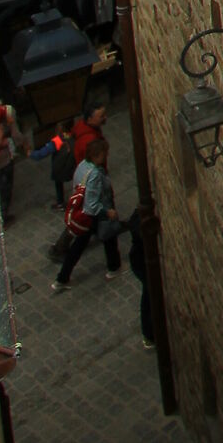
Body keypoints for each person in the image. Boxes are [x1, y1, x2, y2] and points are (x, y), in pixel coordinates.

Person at [51, 137, 124, 291]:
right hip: (92, 214)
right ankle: (114, 267)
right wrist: (107, 211)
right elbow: (92, 204)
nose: (107, 156)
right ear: (97, 155)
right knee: (108, 236)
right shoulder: (95, 174)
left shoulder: (82, 166)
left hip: (83, 213)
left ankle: (62, 279)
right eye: (105, 154)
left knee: (78, 245)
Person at [0, 100, 24, 221]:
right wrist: (22, 144)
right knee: (5, 186)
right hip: (4, 158)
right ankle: (3, 216)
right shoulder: (6, 112)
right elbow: (15, 134)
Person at [127, 213, 155, 349]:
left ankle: (149, 333)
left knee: (149, 295)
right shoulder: (138, 222)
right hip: (142, 263)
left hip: (140, 261)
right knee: (149, 295)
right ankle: (149, 334)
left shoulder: (136, 218)